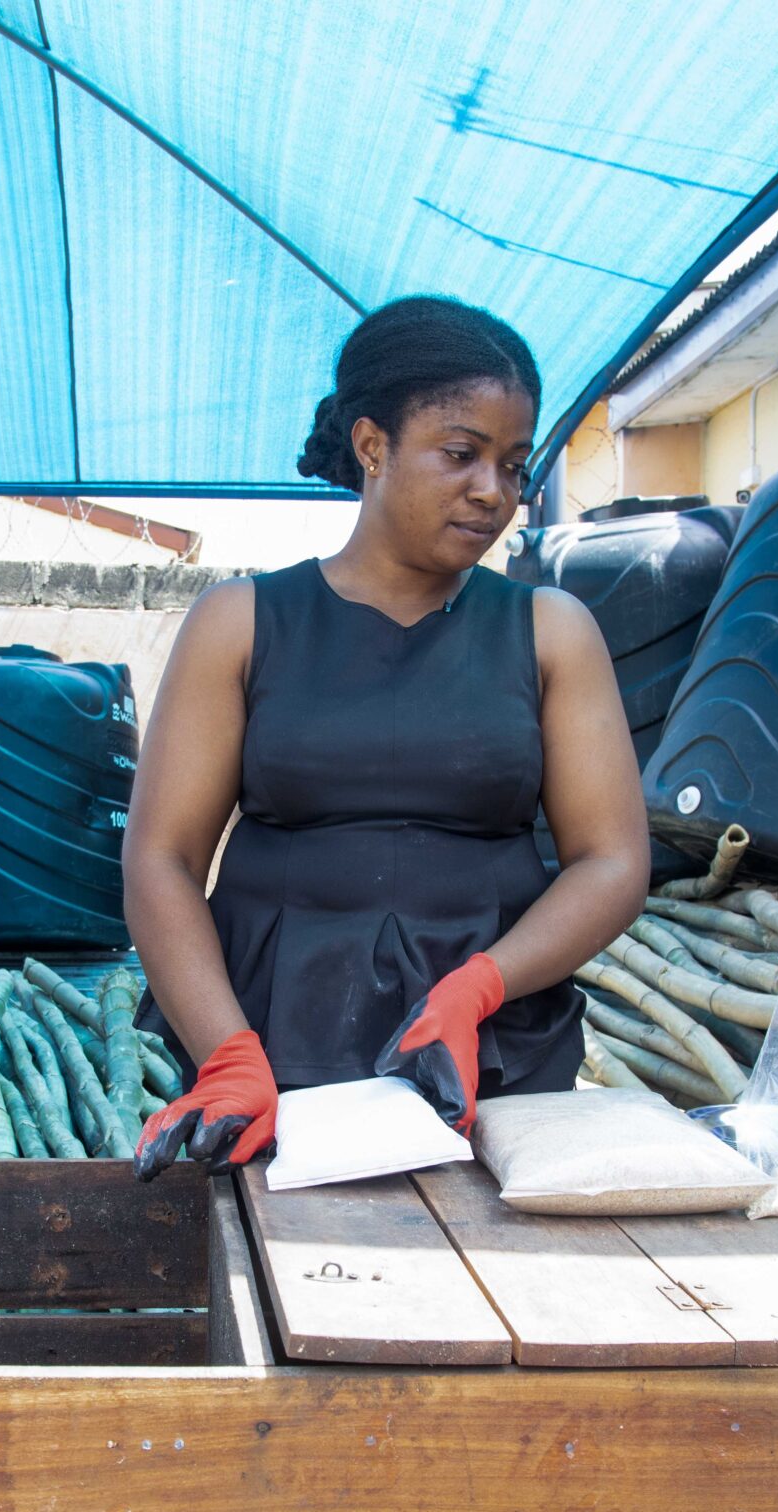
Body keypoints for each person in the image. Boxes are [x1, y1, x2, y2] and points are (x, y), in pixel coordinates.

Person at [127, 296, 648, 1179]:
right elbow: (161, 858)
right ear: (374, 447)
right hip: (268, 1054)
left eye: (514, 464)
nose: (494, 491)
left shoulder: (551, 632)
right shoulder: (242, 623)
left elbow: (612, 860)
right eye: (461, 454)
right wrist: (226, 1051)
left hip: (490, 1057)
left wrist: (484, 985)